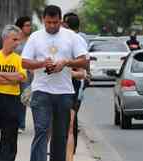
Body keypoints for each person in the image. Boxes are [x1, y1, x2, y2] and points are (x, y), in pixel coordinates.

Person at [21, 5, 88, 161]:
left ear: (61, 21)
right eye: (49, 22)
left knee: (60, 135)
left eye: (55, 22)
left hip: (64, 92)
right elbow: (24, 62)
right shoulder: (35, 37)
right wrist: (42, 64)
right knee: (41, 130)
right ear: (44, 20)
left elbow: (85, 61)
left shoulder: (71, 37)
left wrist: (65, 63)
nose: (52, 26)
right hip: (41, 91)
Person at [0, 25, 27, 161]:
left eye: (18, 40)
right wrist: (11, 78)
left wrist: (0, 74)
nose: (17, 43)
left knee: (10, 136)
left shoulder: (19, 59)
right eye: (14, 39)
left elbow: (21, 78)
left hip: (12, 100)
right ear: (5, 39)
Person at [62, 12, 88, 161]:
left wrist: (62, 70)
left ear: (65, 24)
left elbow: (82, 72)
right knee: (53, 128)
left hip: (72, 87)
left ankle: (69, 158)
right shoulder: (58, 40)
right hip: (55, 88)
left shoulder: (77, 40)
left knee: (69, 126)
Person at [14, 16, 32, 133]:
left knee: (23, 98)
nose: (29, 28)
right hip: (14, 72)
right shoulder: (15, 39)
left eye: (30, 25)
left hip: (26, 74)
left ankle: (21, 124)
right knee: (13, 98)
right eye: (27, 25)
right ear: (21, 27)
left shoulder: (31, 40)